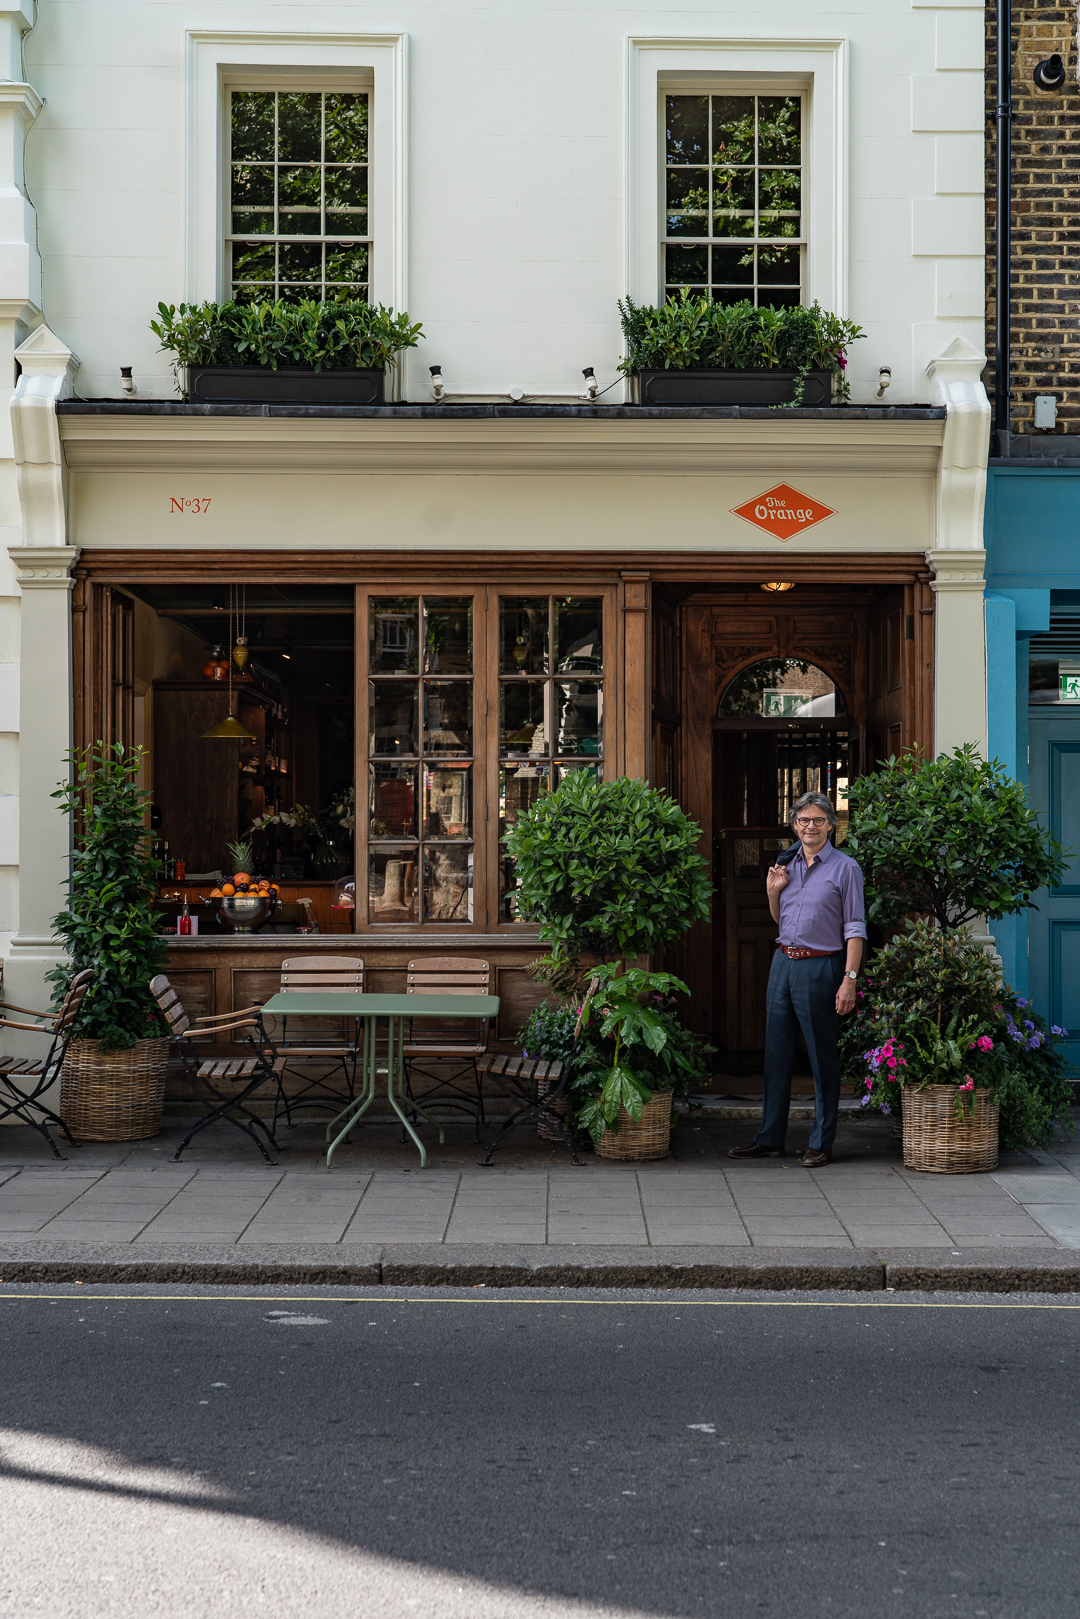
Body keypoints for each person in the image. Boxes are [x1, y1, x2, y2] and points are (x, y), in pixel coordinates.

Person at [728, 790, 866, 1168]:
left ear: (831, 826)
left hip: (822, 966)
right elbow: (781, 919)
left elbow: (855, 929)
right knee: (776, 1054)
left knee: (822, 1056)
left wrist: (849, 980)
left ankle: (822, 1141)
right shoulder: (786, 864)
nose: (811, 826)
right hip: (783, 963)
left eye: (819, 820)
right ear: (794, 825)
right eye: (804, 820)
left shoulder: (845, 868)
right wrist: (772, 892)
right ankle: (770, 1137)